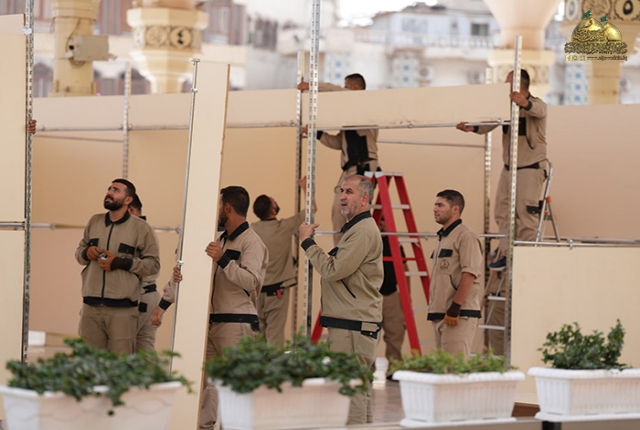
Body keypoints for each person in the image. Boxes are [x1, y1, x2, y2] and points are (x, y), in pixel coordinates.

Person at [299, 174, 383, 425]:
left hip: (353, 325)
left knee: (350, 390)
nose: (342, 197)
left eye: (349, 192)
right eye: (341, 191)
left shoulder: (363, 231)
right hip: (350, 322)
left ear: (365, 198)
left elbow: (334, 270)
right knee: (357, 389)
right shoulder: (356, 229)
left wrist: (307, 242)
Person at [456, 69, 548, 271]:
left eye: (509, 82)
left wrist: (524, 102)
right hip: (509, 169)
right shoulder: (506, 106)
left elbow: (540, 110)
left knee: (525, 214)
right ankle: (507, 254)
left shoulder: (535, 104)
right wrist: (473, 128)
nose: (505, 86)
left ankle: (527, 259)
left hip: (530, 169)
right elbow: (490, 122)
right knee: (502, 212)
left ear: (520, 84)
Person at [200, 186, 268, 430]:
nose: (216, 209)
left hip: (237, 326)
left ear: (227, 207)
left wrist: (223, 260)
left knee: (236, 388)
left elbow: (251, 281)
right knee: (208, 387)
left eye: (218, 204)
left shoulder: (252, 242)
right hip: (213, 324)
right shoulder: (220, 240)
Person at [75, 179, 160, 355]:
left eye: (116, 190)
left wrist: (120, 262)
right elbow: (79, 253)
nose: (109, 192)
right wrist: (86, 253)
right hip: (91, 307)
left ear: (128, 200)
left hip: (123, 310)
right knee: (88, 362)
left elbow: (153, 265)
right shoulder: (94, 221)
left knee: (120, 363)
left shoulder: (141, 228)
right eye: (109, 189)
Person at [299, 74, 381, 244]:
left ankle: (347, 251)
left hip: (363, 167)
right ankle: (343, 251)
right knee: (342, 213)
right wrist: (317, 133)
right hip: (353, 169)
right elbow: (339, 143)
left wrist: (311, 86)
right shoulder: (352, 117)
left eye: (346, 87)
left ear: (355, 88)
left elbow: (333, 89)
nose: (343, 91)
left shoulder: (364, 106)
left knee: (348, 211)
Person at [251, 177, 312, 346]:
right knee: (275, 339)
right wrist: (305, 188)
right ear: (273, 211)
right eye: (274, 202)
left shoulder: (253, 230)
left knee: (258, 338)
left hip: (256, 293)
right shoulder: (284, 228)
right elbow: (310, 210)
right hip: (277, 293)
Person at [427, 190, 483, 359]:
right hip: (441, 315)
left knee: (455, 368)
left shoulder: (466, 236)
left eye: (440, 205)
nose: (435, 209)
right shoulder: (443, 237)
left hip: (458, 315)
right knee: (444, 369)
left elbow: (469, 274)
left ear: (455, 209)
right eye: (435, 205)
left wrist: (455, 308)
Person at [379, 217, 410, 376]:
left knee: (395, 334)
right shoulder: (367, 240)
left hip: (391, 294)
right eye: (380, 218)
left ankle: (394, 369)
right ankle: (367, 370)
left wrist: (407, 298)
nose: (382, 222)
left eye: (385, 219)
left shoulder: (395, 243)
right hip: (371, 296)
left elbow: (405, 270)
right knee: (368, 336)